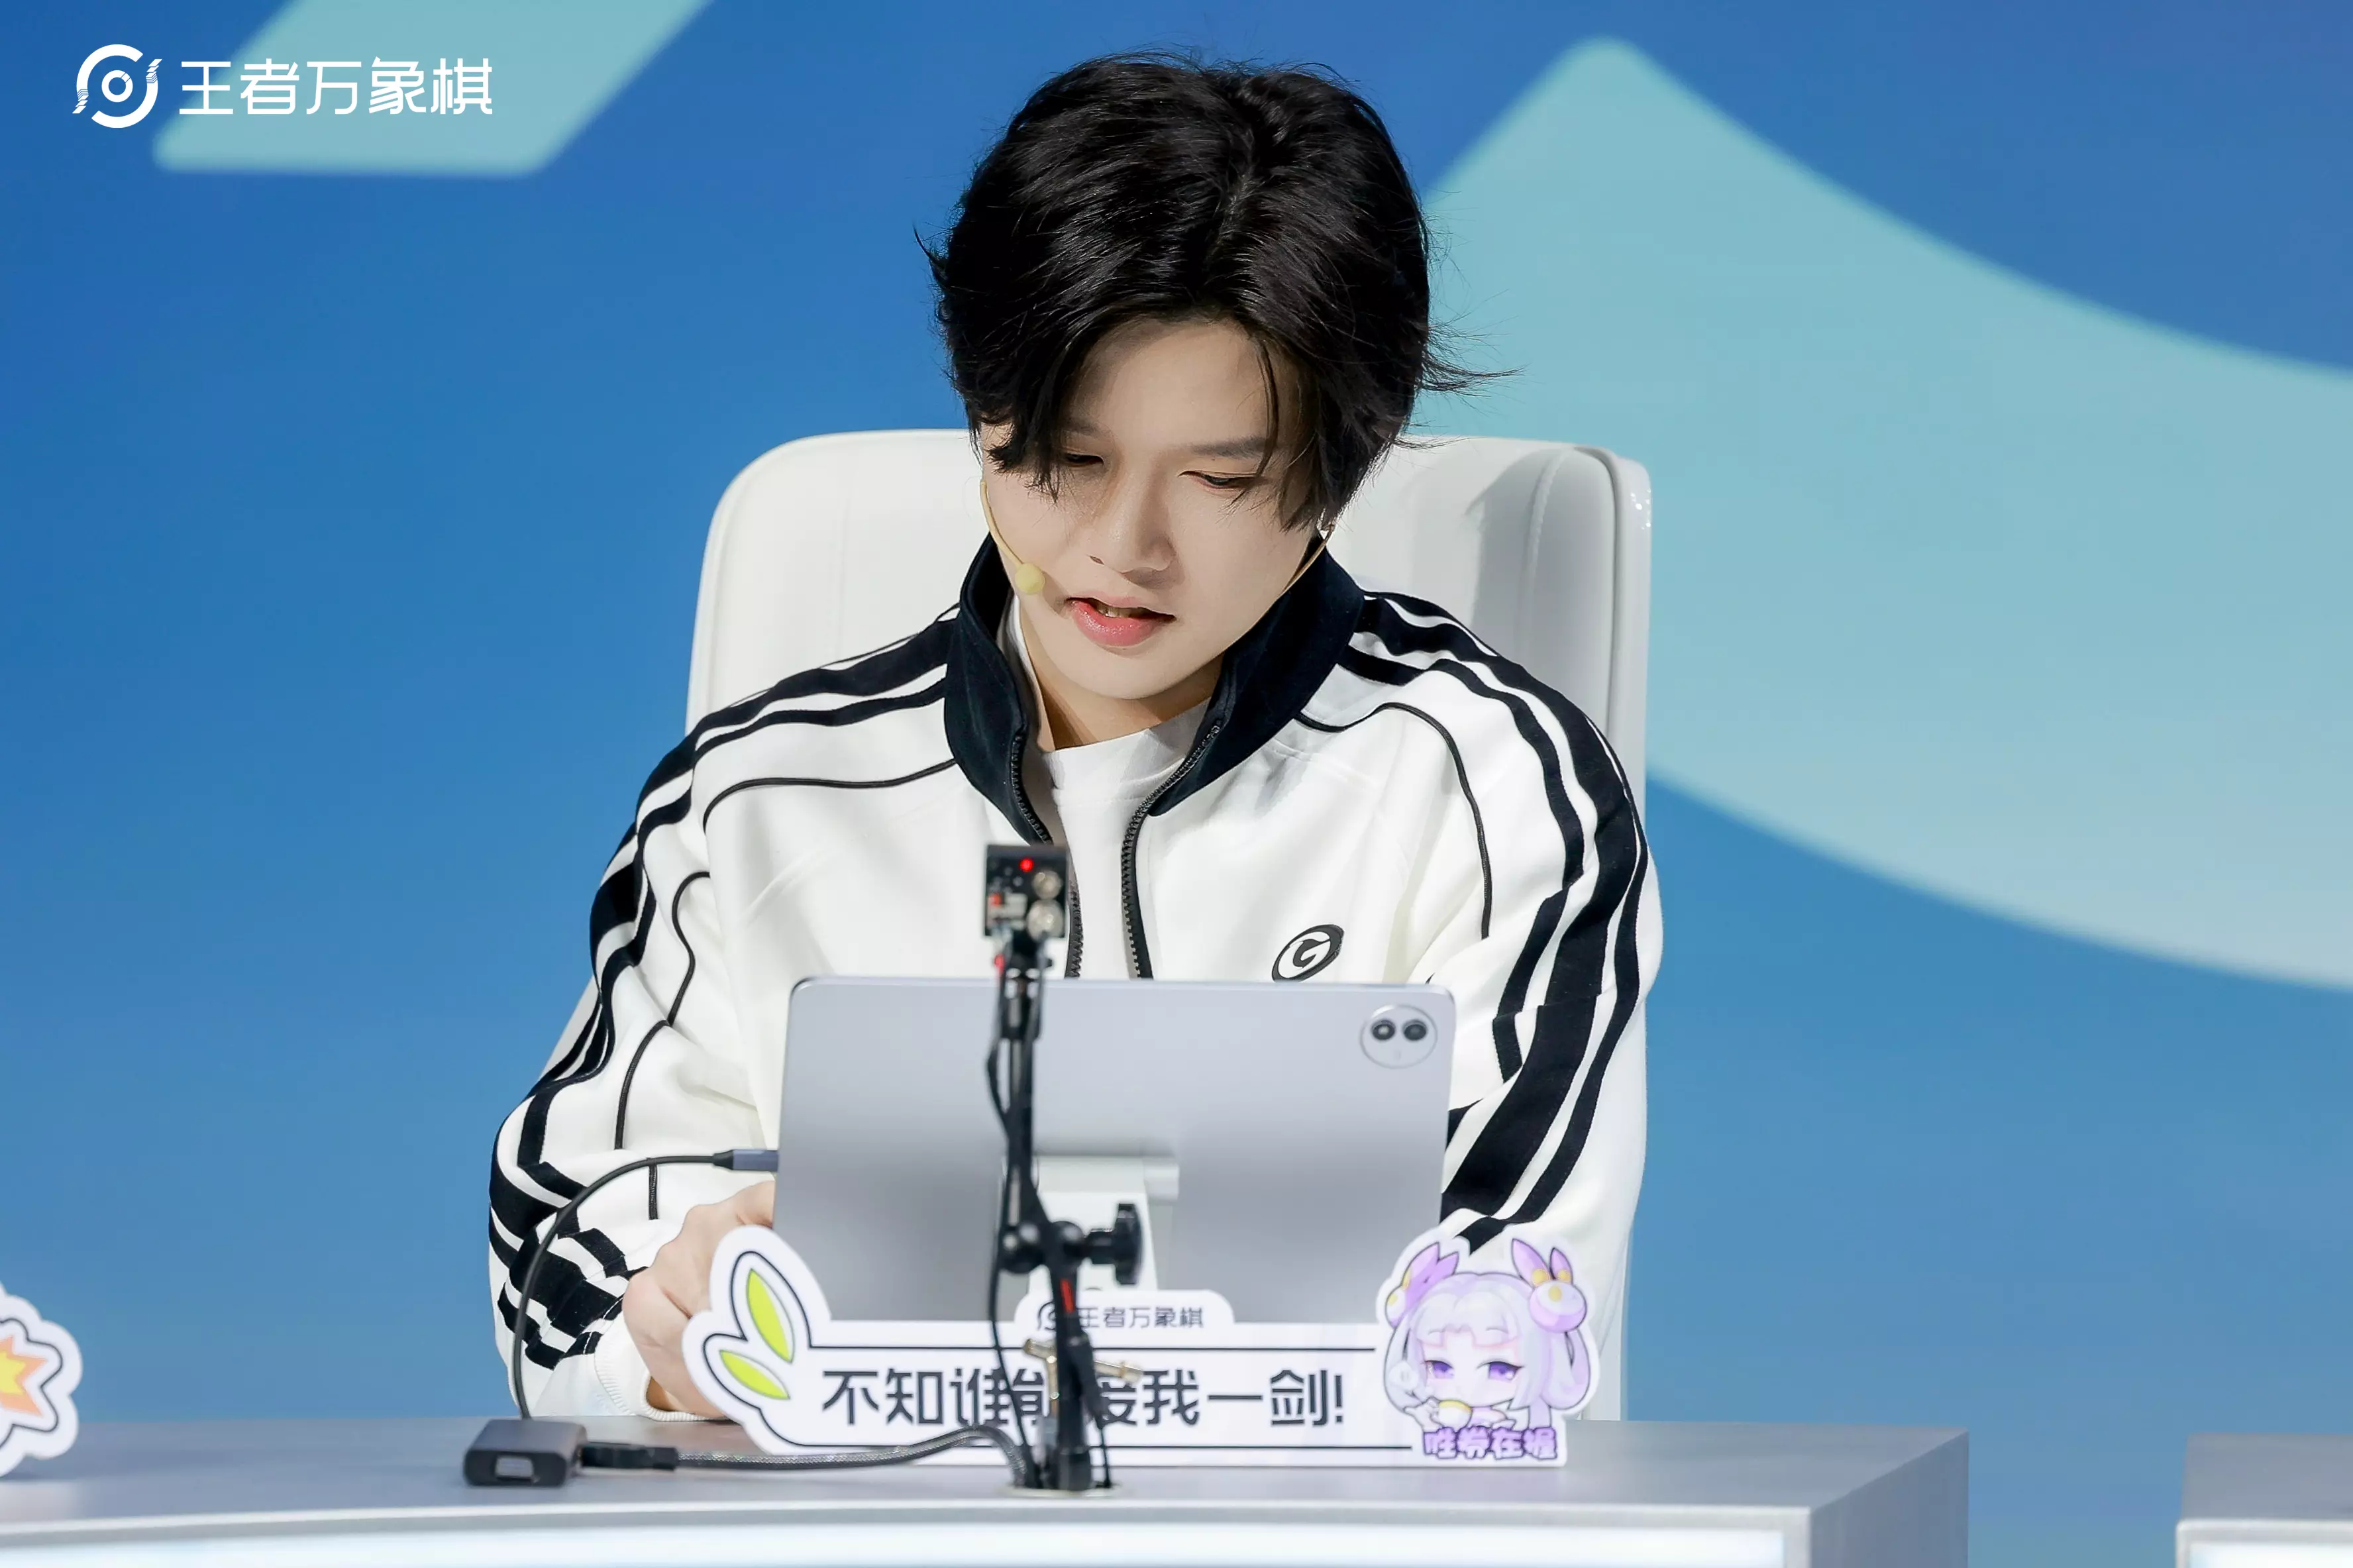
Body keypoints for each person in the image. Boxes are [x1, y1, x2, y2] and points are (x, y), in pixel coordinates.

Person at [489, 52, 1660, 1422]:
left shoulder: (1492, 789)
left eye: (1218, 478)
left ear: (1346, 465)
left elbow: (1507, 1303)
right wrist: (667, 1329)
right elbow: (558, 1265)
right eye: (1067, 456)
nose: (1120, 545)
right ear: (980, 411)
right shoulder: (756, 799)